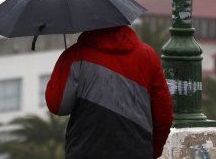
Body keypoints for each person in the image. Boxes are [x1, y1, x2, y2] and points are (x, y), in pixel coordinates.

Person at [46, 25, 173, 158]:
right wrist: (153, 151)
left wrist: (64, 66)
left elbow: (58, 106)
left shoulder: (75, 55)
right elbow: (164, 116)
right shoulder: (148, 56)